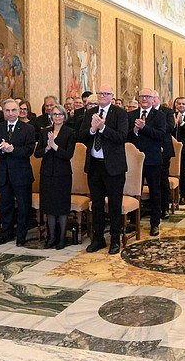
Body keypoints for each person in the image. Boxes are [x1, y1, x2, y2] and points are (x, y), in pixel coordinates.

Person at [84, 84, 128, 254]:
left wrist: (103, 128)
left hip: (113, 167)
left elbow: (121, 137)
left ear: (112, 96)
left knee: (115, 205)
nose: (102, 96)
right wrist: (92, 129)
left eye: (106, 93)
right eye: (100, 93)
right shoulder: (90, 113)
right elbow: (81, 136)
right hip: (94, 165)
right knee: (97, 205)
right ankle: (98, 238)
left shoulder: (120, 113)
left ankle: (115, 240)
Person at [0, 99, 36, 246]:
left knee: (23, 206)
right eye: (7, 111)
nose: (11, 113)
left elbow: (29, 150)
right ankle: (6, 234)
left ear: (19, 111)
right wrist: (2, 150)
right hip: (3, 173)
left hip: (21, 174)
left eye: (13, 110)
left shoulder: (28, 128)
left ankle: (21, 235)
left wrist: (13, 149)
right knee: (5, 205)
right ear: (3, 112)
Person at [34, 104, 76, 249]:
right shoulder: (45, 132)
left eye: (60, 114)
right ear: (51, 117)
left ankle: (62, 238)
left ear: (64, 117)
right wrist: (46, 147)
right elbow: (37, 153)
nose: (57, 116)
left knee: (62, 208)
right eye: (55, 114)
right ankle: (51, 237)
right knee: (49, 207)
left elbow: (68, 155)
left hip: (62, 174)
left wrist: (54, 146)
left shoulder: (70, 132)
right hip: (47, 174)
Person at [131, 88, 167, 236]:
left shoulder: (160, 116)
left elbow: (160, 135)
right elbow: (125, 137)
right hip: (134, 161)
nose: (144, 99)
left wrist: (144, 128)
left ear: (153, 100)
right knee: (134, 193)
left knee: (155, 192)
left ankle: (154, 223)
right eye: (142, 96)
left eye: (147, 96)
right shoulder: (131, 115)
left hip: (152, 159)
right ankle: (133, 223)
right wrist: (134, 130)